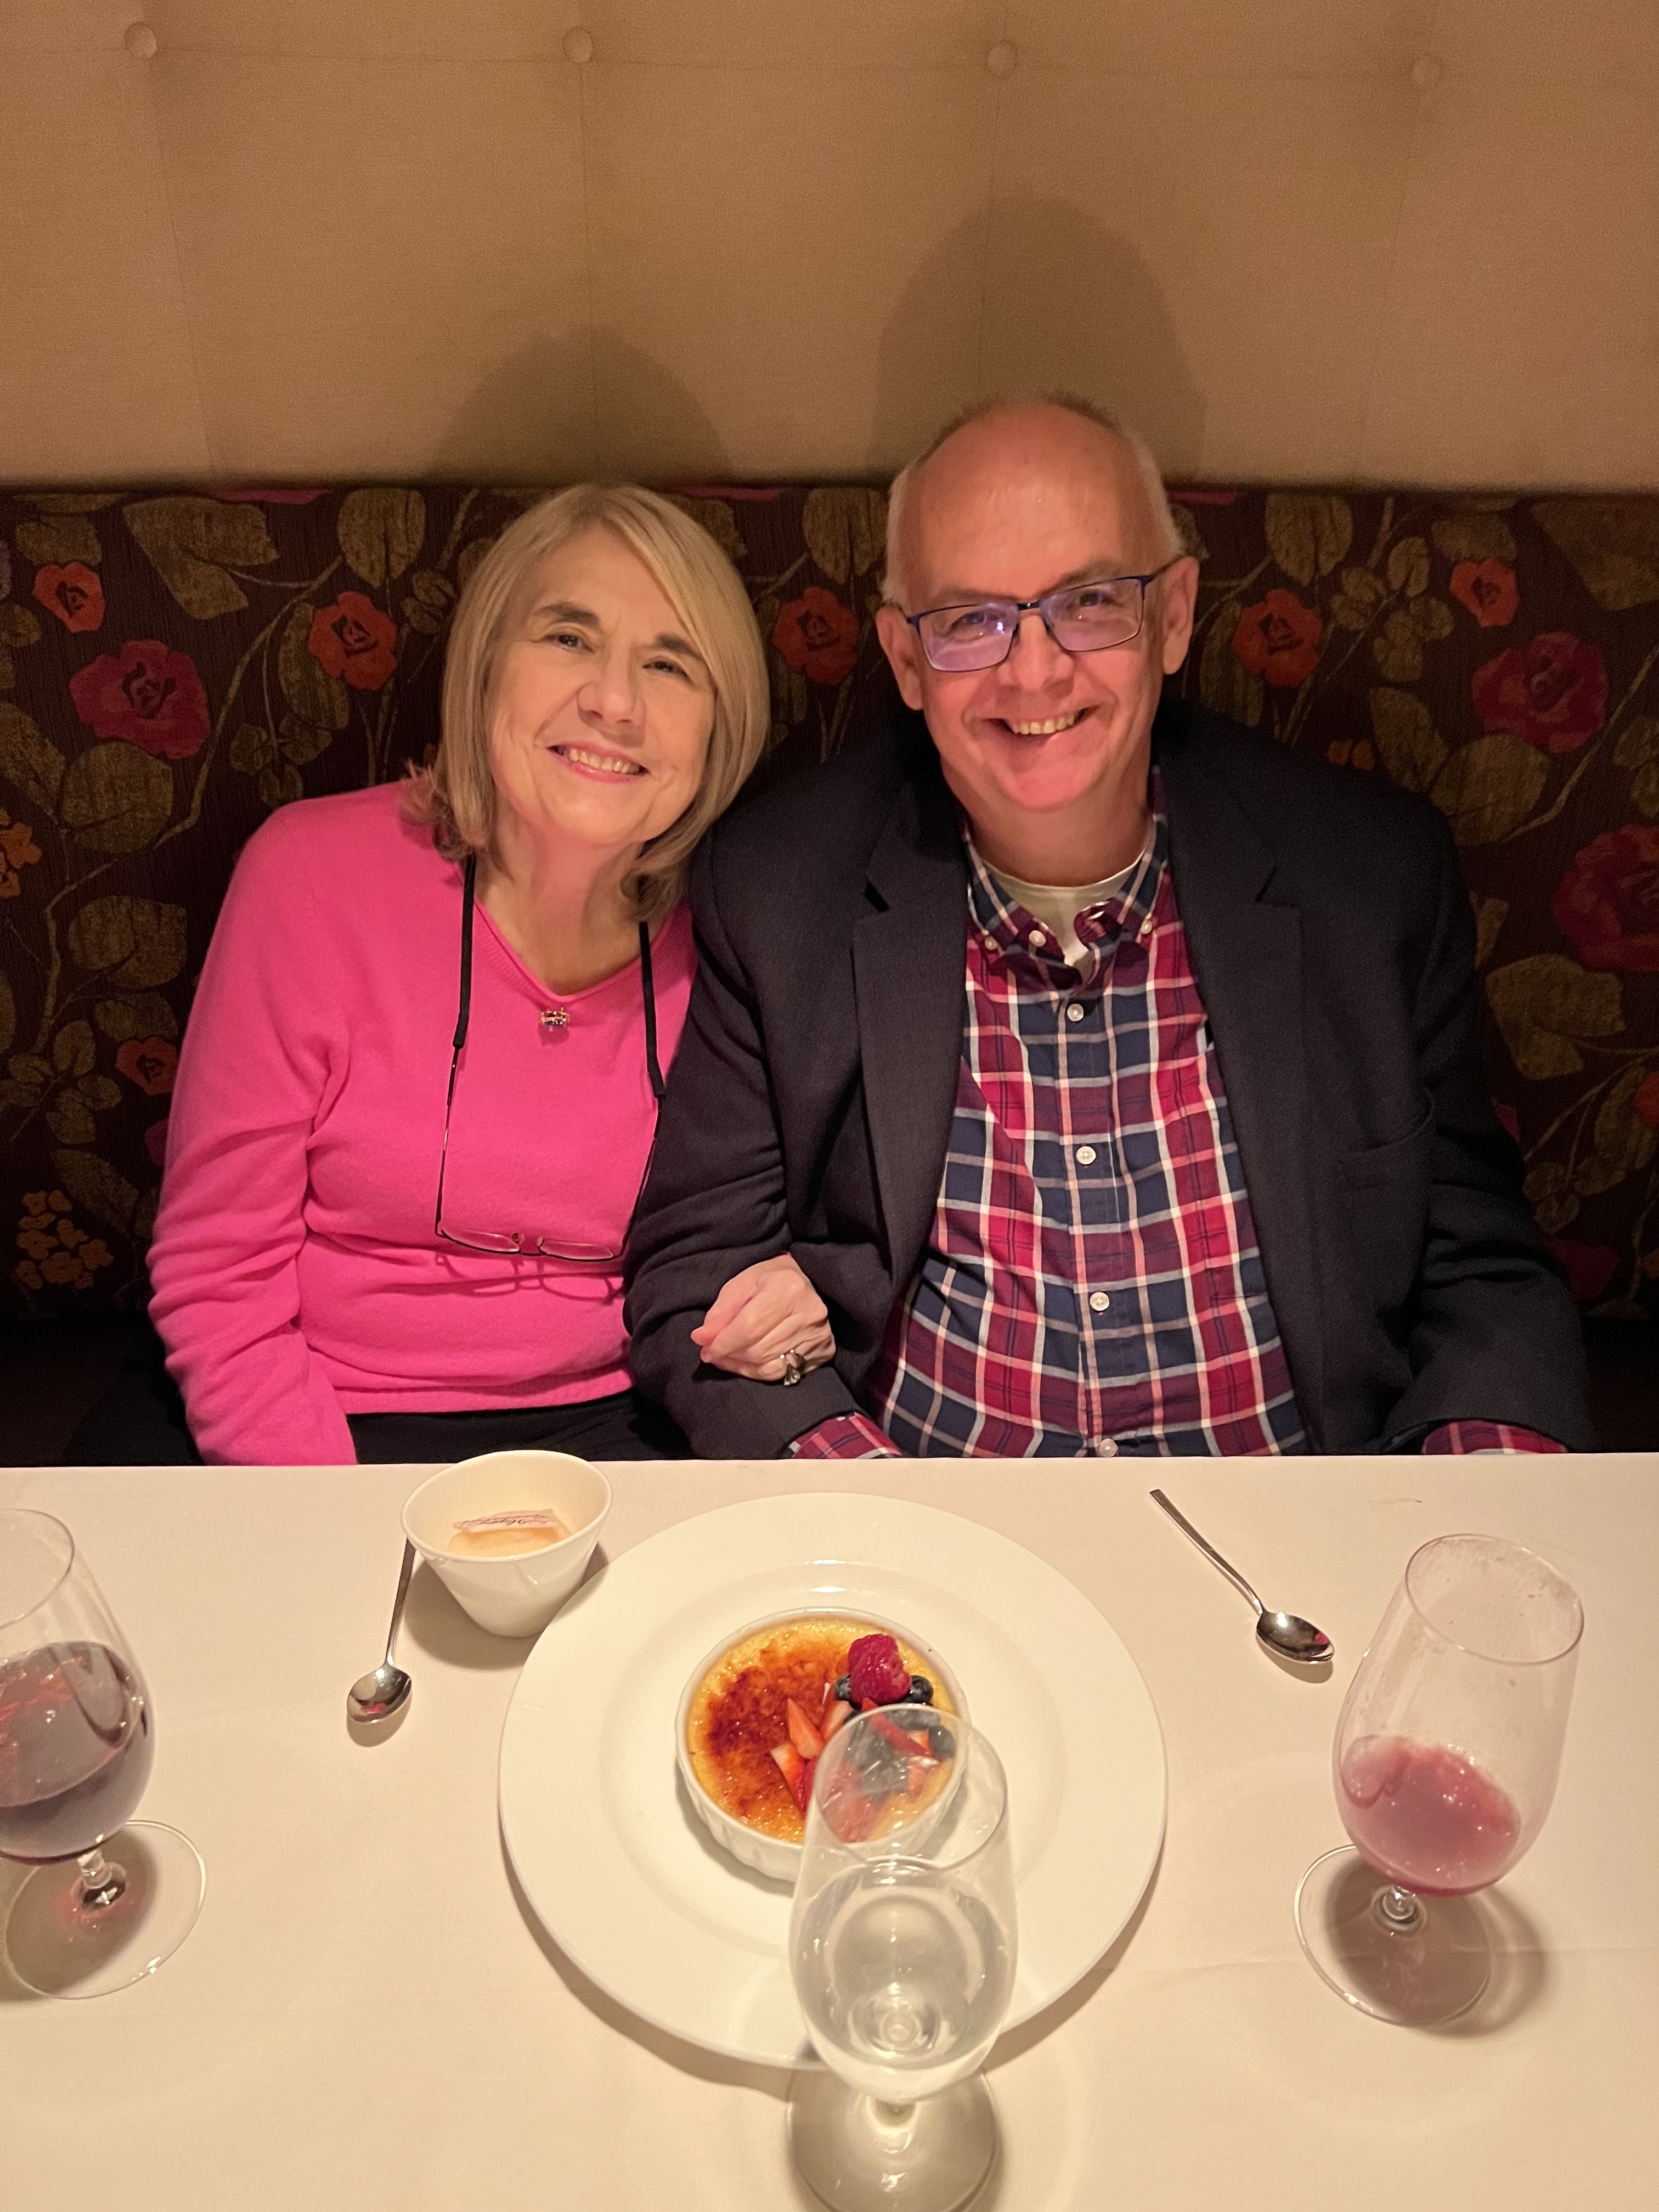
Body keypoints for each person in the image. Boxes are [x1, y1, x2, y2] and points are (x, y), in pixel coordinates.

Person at [625, 397, 1594, 1460]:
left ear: (1174, 616)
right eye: (970, 620)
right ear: (905, 659)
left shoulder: (1370, 874)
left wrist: (1465, 1517)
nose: (1034, 671)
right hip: (927, 1521)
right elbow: (696, 1270)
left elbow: (1477, 1265)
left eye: (1090, 602)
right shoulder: (779, 889)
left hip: (1300, 1518)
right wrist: (861, 1502)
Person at [132, 484, 770, 1465]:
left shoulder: (750, 920)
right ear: (484, 668)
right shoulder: (309, 874)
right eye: (568, 638)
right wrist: (327, 1519)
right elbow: (220, 1273)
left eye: (670, 663)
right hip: (318, 1415)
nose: (614, 701)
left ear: (721, 727)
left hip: (631, 1420)